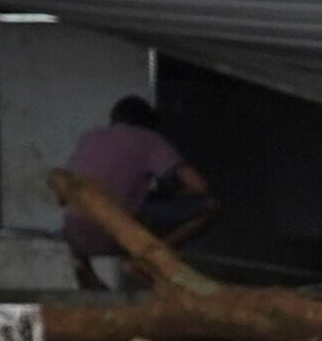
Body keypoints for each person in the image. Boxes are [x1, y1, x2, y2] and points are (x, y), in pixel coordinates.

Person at [59, 96, 213, 289]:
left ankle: (82, 266)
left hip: (76, 235)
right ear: (148, 123)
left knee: (80, 212)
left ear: (113, 119)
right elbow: (200, 186)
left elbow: (62, 197)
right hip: (117, 235)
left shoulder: (89, 137)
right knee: (210, 206)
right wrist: (172, 193)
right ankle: (150, 259)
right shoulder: (150, 139)